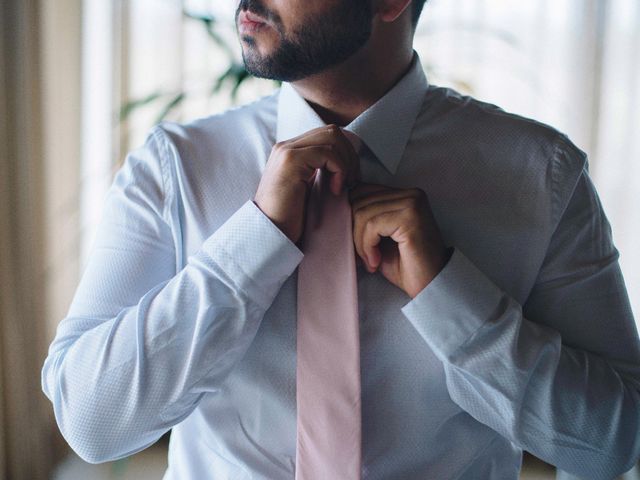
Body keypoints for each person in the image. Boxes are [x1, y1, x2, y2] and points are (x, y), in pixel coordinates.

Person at [41, 0, 640, 478]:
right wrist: (251, 245)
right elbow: (91, 422)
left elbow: (613, 443)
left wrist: (452, 298)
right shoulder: (176, 167)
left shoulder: (541, 177)